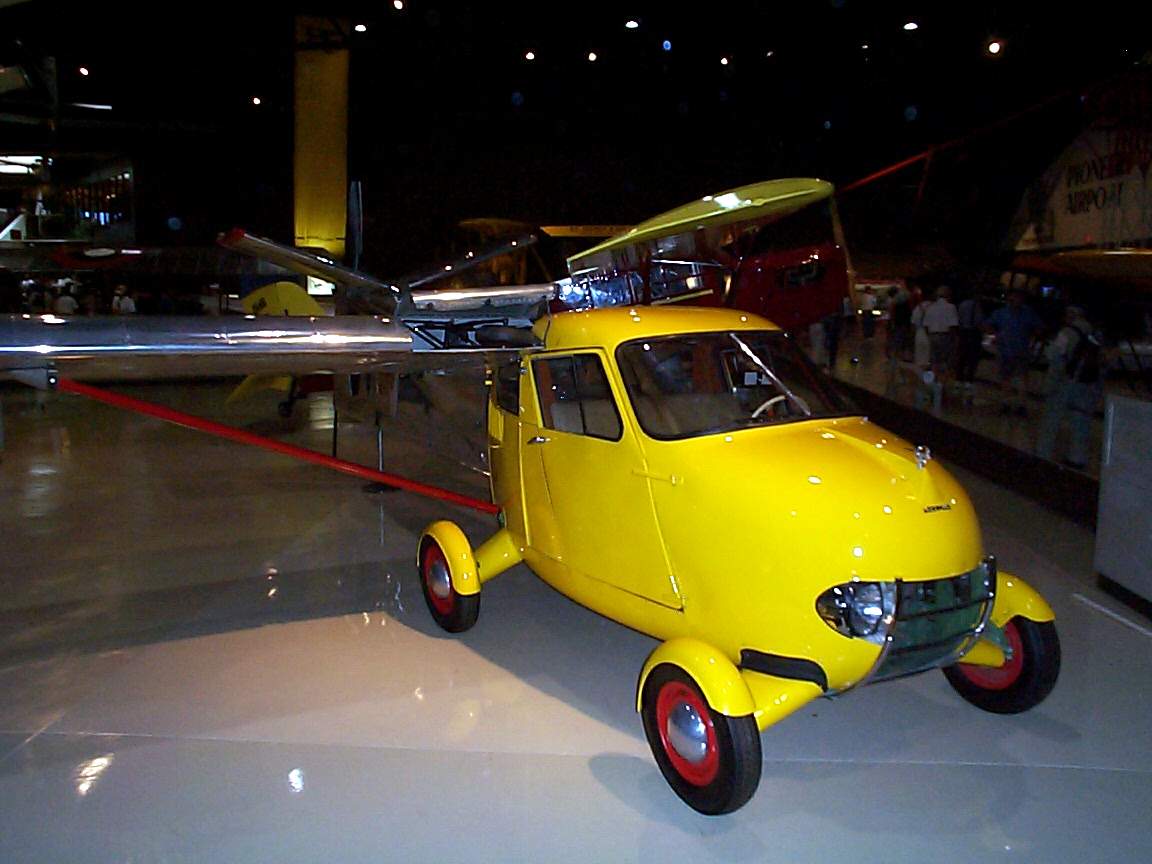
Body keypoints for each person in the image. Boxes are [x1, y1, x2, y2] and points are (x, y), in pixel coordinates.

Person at [1036, 305, 1105, 469]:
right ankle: (1077, 458)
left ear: (1073, 314)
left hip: (1064, 383)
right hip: (1086, 385)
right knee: (1081, 422)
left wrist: (1050, 384)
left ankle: (1043, 454)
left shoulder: (1067, 332)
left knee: (1052, 419)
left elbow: (1053, 355)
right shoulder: (1096, 334)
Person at [985, 288, 1044, 416]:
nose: (1016, 300)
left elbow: (1039, 329)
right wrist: (996, 336)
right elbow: (988, 325)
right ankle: (1009, 403)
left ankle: (1017, 404)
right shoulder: (1004, 313)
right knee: (1010, 377)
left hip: (1018, 350)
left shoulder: (1024, 313)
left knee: (1017, 378)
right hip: (1008, 349)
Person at [954, 288, 985, 403]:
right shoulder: (976, 306)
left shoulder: (962, 305)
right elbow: (979, 321)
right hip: (973, 333)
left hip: (963, 332)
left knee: (961, 357)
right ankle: (968, 382)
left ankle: (958, 380)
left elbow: (958, 319)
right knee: (972, 358)